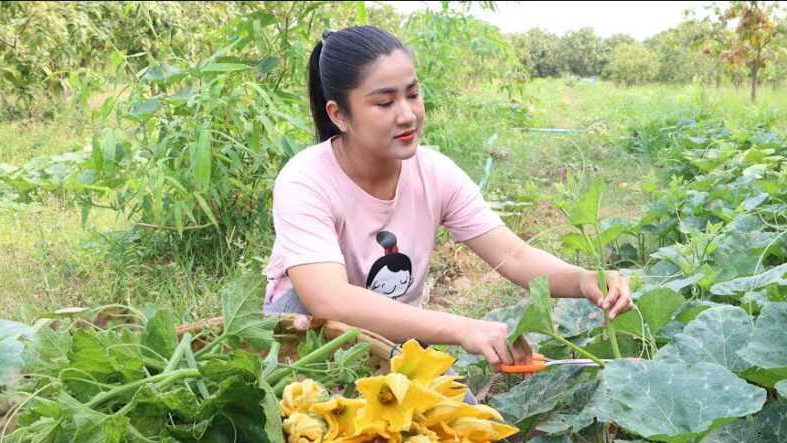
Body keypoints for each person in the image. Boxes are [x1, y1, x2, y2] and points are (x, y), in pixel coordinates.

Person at [262, 25, 632, 372]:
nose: (407, 115)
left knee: (456, 421)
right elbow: (330, 300)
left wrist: (583, 279)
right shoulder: (306, 180)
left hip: (396, 334)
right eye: (385, 103)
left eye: (412, 94)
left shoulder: (435, 173)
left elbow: (515, 255)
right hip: (310, 336)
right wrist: (464, 328)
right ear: (339, 114)